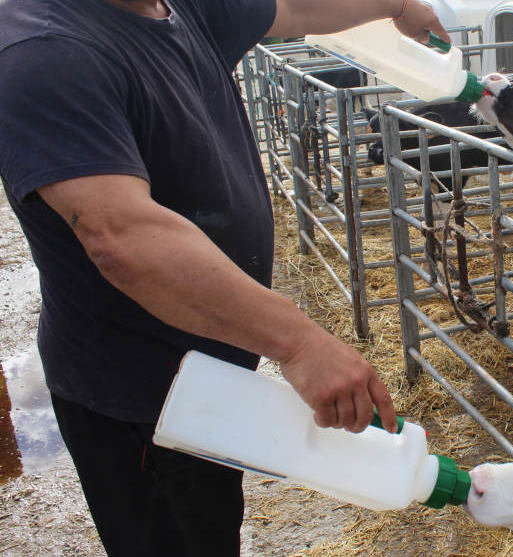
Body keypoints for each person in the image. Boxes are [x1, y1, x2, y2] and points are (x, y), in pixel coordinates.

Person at [0, 0, 449, 554]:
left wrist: (398, 5)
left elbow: (291, 8)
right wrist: (299, 341)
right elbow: (122, 236)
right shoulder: (46, 52)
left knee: (212, 524)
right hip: (143, 397)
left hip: (210, 375)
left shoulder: (177, 5)